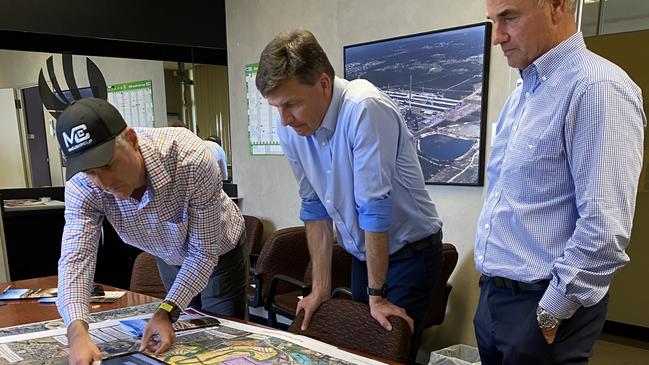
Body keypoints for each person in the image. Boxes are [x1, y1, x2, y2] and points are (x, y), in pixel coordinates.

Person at [256, 29, 444, 363]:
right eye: (276, 107)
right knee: (359, 354)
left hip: (410, 253)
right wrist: (320, 289)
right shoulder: (292, 129)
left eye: (292, 104)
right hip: (364, 254)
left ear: (324, 84)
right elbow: (314, 209)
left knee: (386, 352)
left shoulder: (363, 108)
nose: (284, 120)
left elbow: (374, 209)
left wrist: (376, 296)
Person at [475, 0, 646, 364]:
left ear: (556, 5)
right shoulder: (523, 93)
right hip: (495, 299)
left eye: (509, 17)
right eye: (493, 21)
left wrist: (550, 310)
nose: (498, 36)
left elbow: (605, 229)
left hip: (542, 306)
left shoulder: (598, 88)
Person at [54, 98, 248, 365]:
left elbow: (203, 252)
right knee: (181, 332)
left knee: (223, 336)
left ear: (131, 140)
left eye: (108, 164)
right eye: (90, 172)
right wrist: (76, 332)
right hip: (167, 252)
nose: (104, 182)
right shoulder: (83, 187)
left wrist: (167, 310)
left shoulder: (190, 158)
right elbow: (76, 260)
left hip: (220, 248)